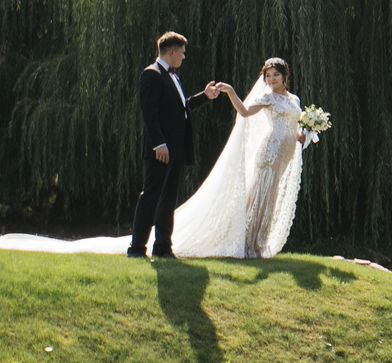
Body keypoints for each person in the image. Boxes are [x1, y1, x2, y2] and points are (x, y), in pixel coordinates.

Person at [168, 57, 318, 259]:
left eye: (276, 75)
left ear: (285, 76)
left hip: (284, 156)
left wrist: (308, 131)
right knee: (258, 198)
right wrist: (230, 91)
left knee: (269, 200)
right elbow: (245, 112)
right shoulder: (268, 98)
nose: (272, 79)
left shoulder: (294, 100)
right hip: (269, 154)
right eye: (268, 76)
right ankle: (249, 244)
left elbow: (293, 129)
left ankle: (258, 242)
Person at [129, 31, 228, 259]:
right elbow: (150, 114)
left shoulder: (173, 76)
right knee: (151, 197)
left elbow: (183, 107)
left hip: (177, 150)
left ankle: (163, 247)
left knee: (168, 200)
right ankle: (136, 249)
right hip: (160, 150)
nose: (184, 57)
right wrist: (159, 144)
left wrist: (205, 95)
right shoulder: (151, 75)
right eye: (182, 53)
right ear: (171, 52)